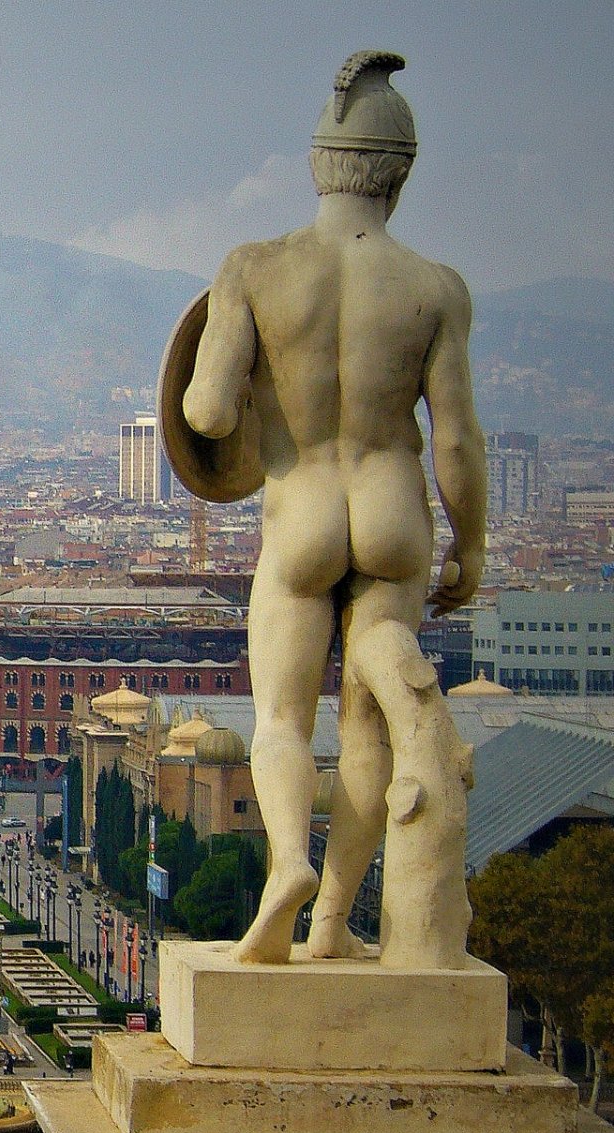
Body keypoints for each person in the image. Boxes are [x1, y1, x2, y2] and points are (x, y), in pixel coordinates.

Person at [180, 51, 484, 964]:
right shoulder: (436, 289)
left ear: (319, 163)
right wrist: (473, 548)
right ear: (400, 173)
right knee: (367, 729)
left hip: (302, 511)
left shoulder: (254, 269)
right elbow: (461, 442)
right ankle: (334, 922)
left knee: (278, 718)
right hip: (393, 511)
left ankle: (286, 864)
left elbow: (204, 411)